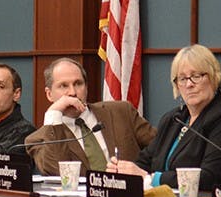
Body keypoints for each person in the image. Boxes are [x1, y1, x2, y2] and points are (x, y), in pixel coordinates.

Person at [112, 44, 221, 190]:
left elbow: (211, 178)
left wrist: (152, 179)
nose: (189, 84)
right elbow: (145, 161)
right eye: (182, 79)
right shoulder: (174, 119)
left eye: (196, 76)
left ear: (213, 77)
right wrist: (125, 171)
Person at [25, 58, 155, 175]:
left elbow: (163, 150)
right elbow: (56, 173)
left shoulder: (122, 112)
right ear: (49, 94)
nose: (73, 93)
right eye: (63, 86)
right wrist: (54, 113)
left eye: (78, 84)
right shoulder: (38, 139)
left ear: (86, 87)